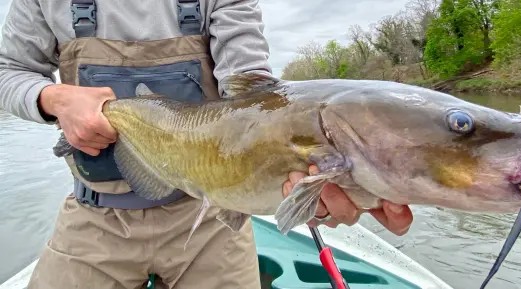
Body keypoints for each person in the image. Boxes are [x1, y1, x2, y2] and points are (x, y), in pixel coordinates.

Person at [0, 0, 414, 288]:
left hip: (214, 219)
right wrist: (52, 99)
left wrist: (304, 183)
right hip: (94, 218)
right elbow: (8, 71)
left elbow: (250, 90)